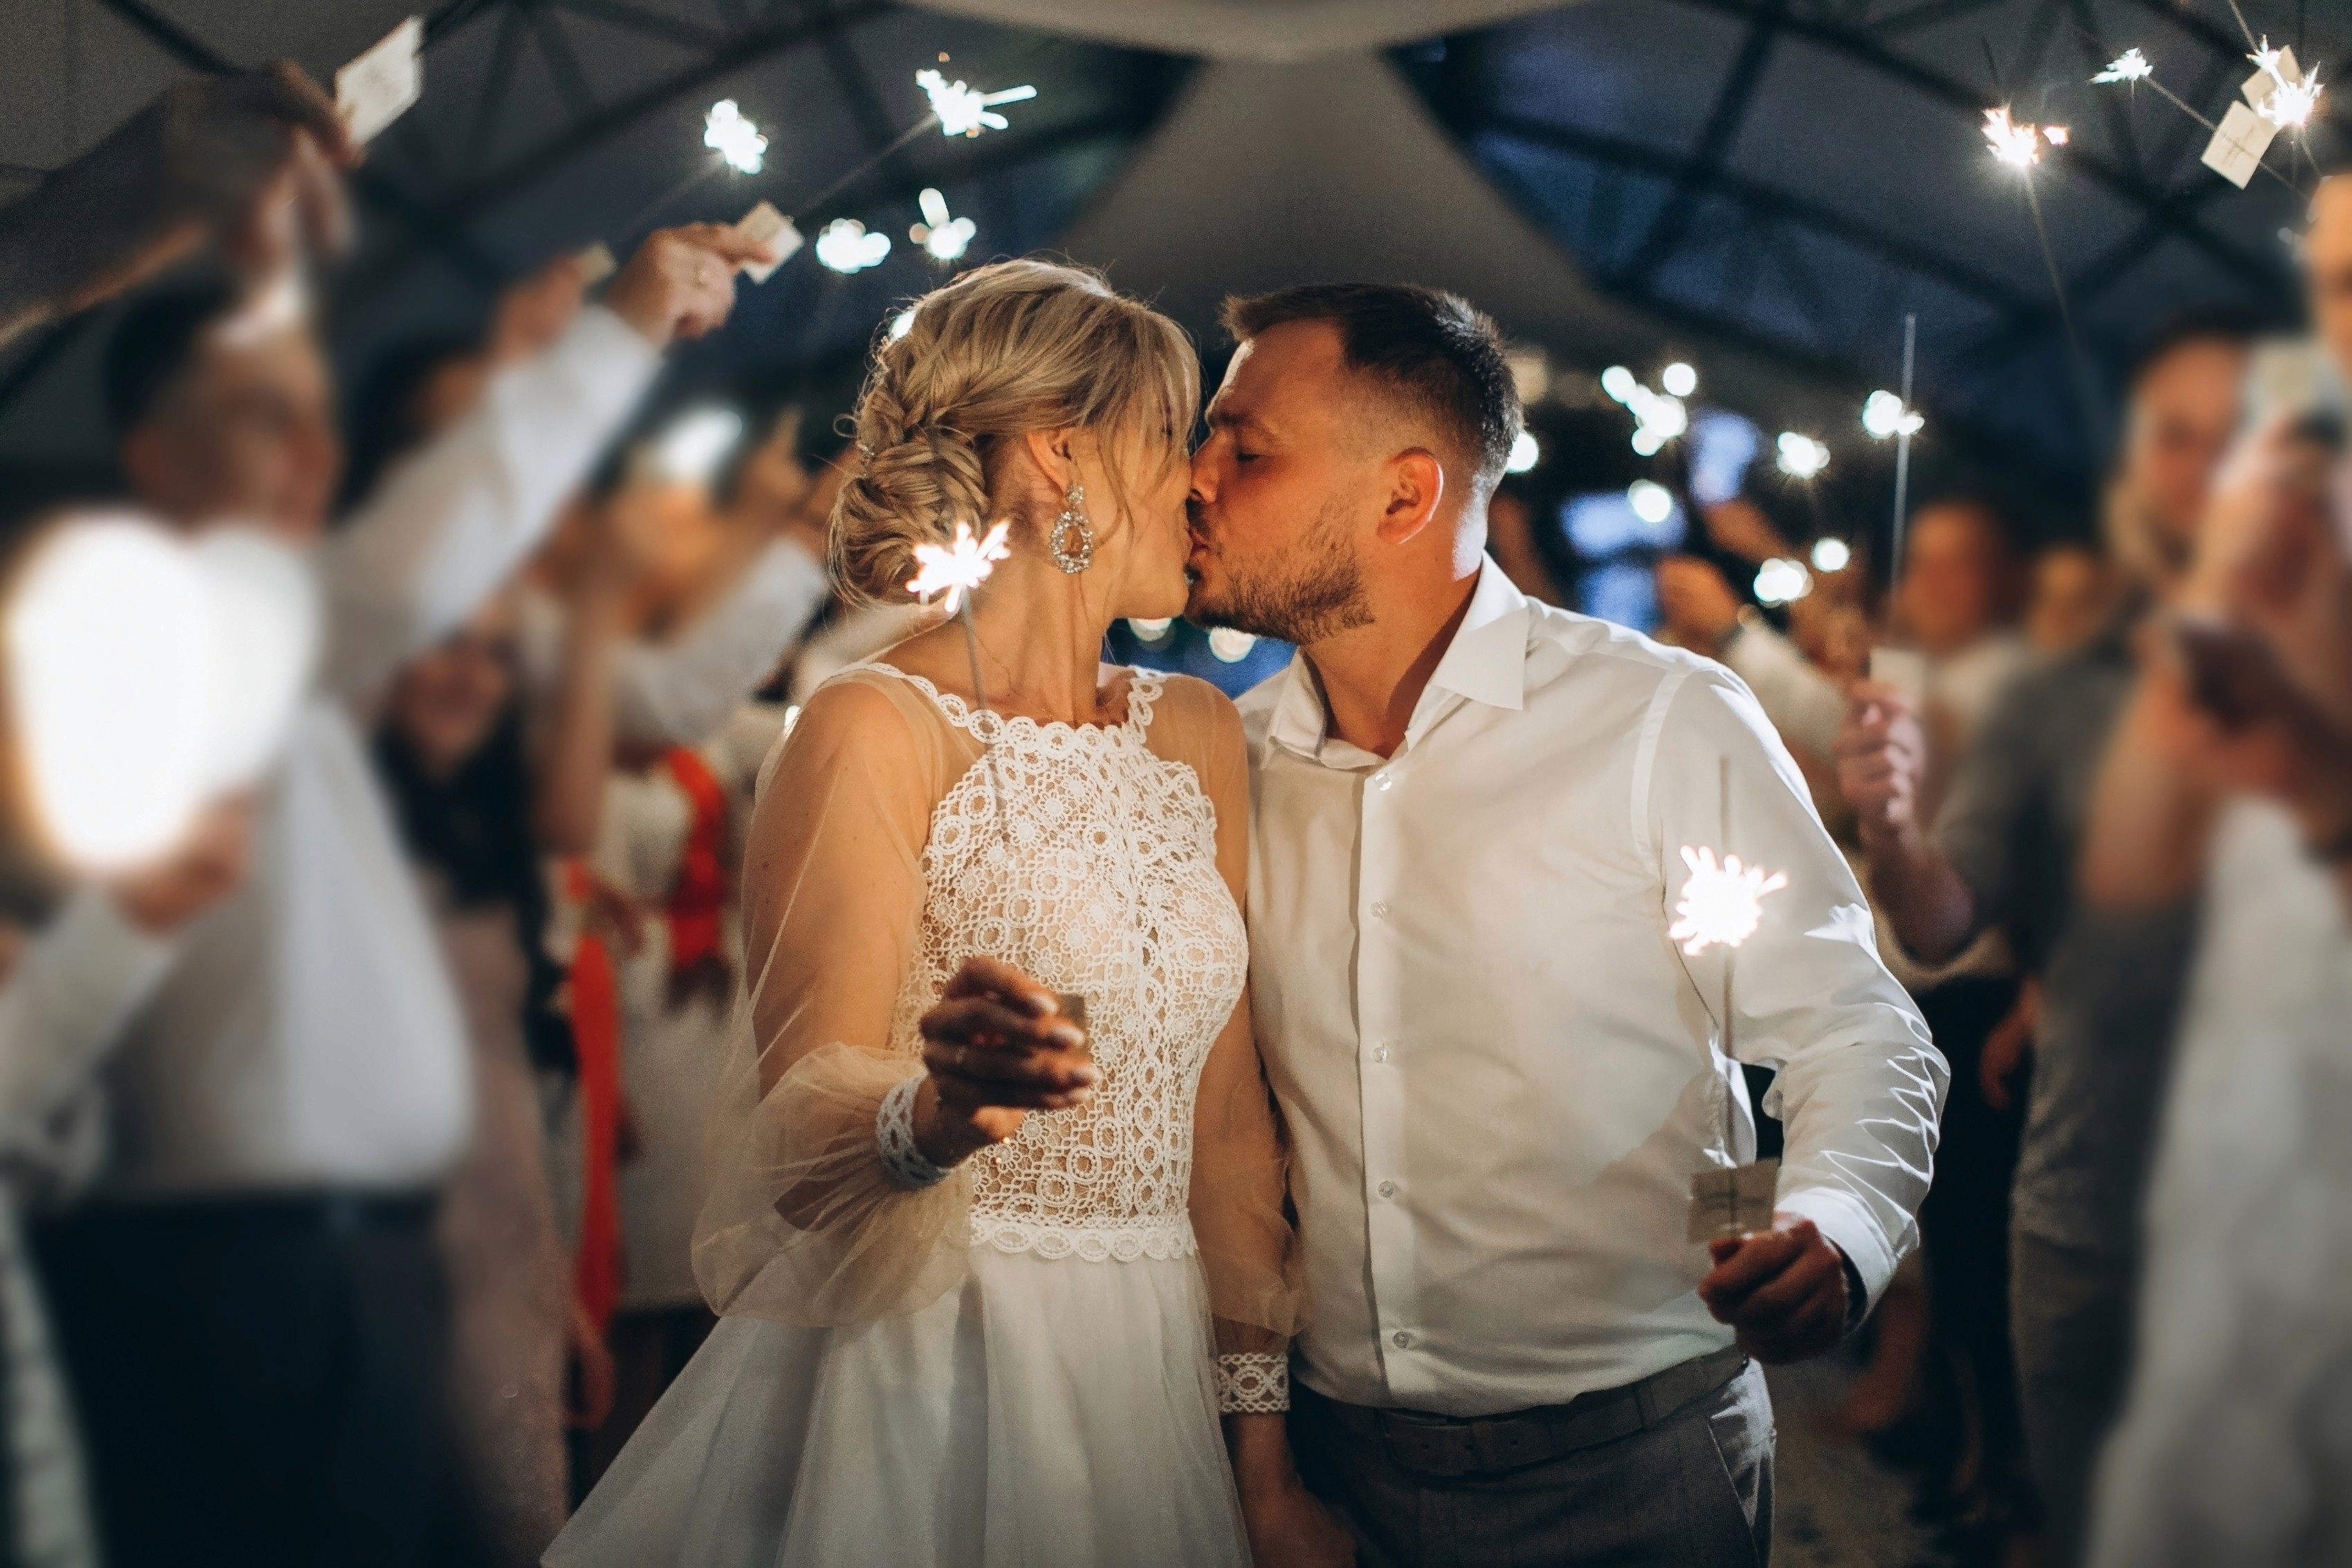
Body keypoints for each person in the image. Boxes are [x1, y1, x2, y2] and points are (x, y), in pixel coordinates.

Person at [549, 259, 1339, 1568]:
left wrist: (1262, 1465)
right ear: (1059, 453)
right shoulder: (869, 725)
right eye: (1170, 434)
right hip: (939, 1363)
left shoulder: (1195, 729)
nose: (1202, 480)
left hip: (1148, 1371)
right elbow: (795, 1129)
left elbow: (1226, 1126)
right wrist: (939, 1111)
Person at [28, 221, 768, 1568]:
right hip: (212, 1253)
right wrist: (616, 331)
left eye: (310, 421)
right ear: (156, 453)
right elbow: (434, 544)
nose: (308, 455)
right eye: (260, 420)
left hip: (371, 1245)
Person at [1185, 282, 1946, 1566]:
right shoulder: (1232, 762)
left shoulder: (1659, 721)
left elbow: (1851, 1028)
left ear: (1404, 496)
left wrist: (1836, 1225)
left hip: (1641, 1469)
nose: (1195, 478)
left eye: (1244, 449)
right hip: (1332, 1477)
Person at [1833, 313, 2252, 1567]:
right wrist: (1893, 829)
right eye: (2173, 439)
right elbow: (1943, 917)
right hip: (2080, 1191)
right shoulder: (2052, 695)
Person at [2079, 176, 2352, 1564]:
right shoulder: (2300, 538)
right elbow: (2129, 872)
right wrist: (2200, 603)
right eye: (2332, 284)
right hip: (2241, 1161)